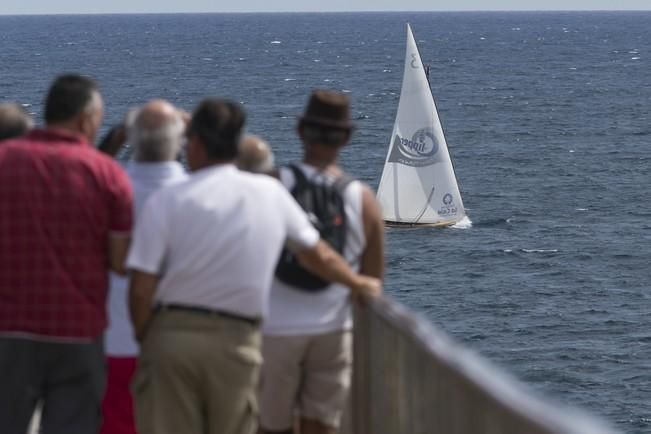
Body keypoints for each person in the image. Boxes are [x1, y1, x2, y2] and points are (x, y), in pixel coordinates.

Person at [127, 98, 381, 434]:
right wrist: (358, 283)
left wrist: (148, 338)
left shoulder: (166, 199)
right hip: (238, 340)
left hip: (173, 336)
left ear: (195, 145)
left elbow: (141, 287)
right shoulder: (269, 193)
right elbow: (318, 255)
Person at [0, 74, 133, 434]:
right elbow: (122, 262)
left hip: (9, 331)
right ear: (87, 119)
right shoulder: (107, 174)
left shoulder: (5, 159)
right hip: (77, 331)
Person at [259, 90, 385, 434]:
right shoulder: (365, 200)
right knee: (322, 427)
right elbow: (372, 281)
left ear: (301, 131)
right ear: (345, 138)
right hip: (333, 328)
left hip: (275, 329)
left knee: (271, 426)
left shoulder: (271, 185)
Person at [101, 99, 188, 434]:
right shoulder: (201, 194)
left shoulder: (108, 188)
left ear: (131, 140)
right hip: (181, 338)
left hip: (116, 335)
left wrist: (117, 135)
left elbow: (91, 166)